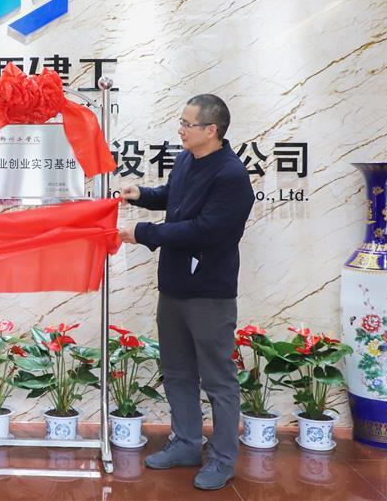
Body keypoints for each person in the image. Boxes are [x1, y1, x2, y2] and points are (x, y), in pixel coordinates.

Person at [117, 94, 254, 491]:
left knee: (218, 380)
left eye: (187, 124)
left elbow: (205, 229)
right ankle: (186, 444)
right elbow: (173, 197)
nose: (180, 130)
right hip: (174, 287)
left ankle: (223, 459)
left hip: (209, 293)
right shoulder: (185, 160)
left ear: (211, 130)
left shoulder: (231, 175)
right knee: (177, 372)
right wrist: (142, 194)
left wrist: (144, 232)